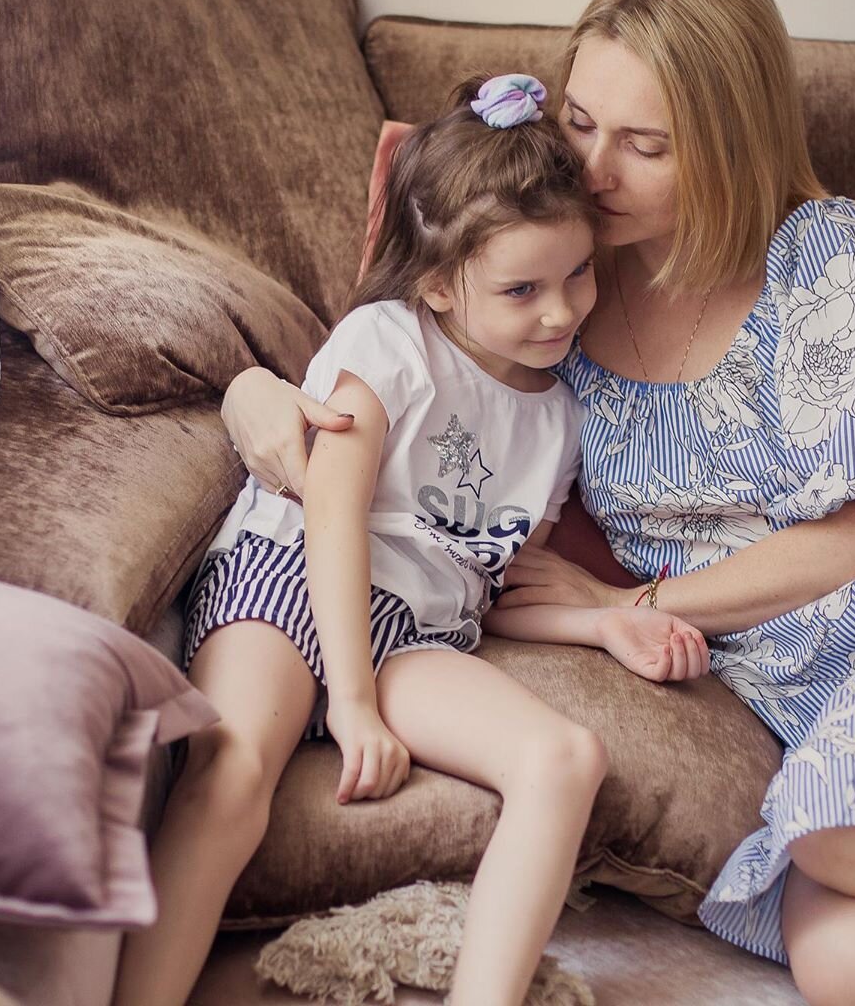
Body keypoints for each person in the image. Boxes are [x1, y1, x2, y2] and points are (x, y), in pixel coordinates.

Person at [220, 0, 855, 1006]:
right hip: (806, 678)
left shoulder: (829, 252)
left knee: (842, 832)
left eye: (645, 144)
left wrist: (636, 603)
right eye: (580, 123)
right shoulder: (555, 289)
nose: (593, 169)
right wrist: (249, 389)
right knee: (850, 958)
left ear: (729, 147)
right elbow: (393, 343)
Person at [113, 73, 709, 1006]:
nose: (561, 312)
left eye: (578, 274)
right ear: (438, 282)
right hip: (292, 579)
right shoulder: (388, 343)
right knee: (231, 775)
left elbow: (496, 586)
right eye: (521, 289)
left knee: (565, 760)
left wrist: (602, 622)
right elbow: (329, 513)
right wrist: (352, 702)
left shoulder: (560, 422)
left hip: (416, 631)